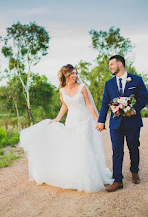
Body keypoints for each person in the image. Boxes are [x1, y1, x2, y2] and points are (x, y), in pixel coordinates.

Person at [19, 64, 114, 193]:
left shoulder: (82, 87)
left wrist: (98, 120)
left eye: (76, 73)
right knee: (75, 148)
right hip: (71, 122)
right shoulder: (62, 90)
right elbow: (64, 105)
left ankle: (88, 179)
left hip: (85, 121)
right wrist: (57, 119)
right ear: (65, 75)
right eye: (72, 73)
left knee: (85, 146)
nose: (75, 76)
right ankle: (76, 177)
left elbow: (89, 105)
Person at [97, 55, 148, 192]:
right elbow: (104, 104)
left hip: (132, 122)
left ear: (120, 64)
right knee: (117, 151)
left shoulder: (136, 80)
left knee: (133, 147)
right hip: (115, 123)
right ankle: (118, 180)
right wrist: (101, 121)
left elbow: (145, 97)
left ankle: (134, 171)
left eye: (111, 64)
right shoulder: (109, 84)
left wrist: (135, 110)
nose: (110, 67)